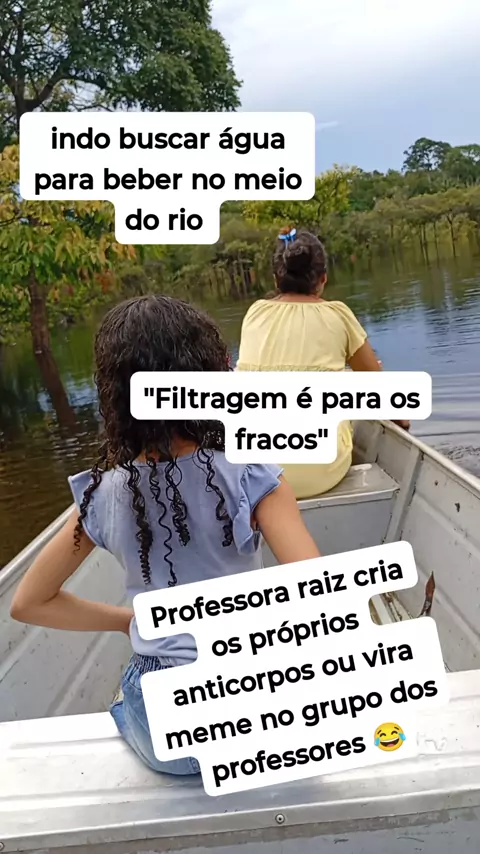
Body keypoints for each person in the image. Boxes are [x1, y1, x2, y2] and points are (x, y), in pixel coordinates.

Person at [10, 295, 321, 777]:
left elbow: (28, 603)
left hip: (167, 737)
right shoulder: (252, 472)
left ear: (115, 397)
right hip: (257, 716)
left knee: (128, 698)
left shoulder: (101, 495)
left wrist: (128, 622)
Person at [236, 227, 409, 499]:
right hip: (319, 474)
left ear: (275, 279)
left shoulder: (254, 313)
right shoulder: (338, 314)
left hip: (255, 474)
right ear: (323, 279)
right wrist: (402, 420)